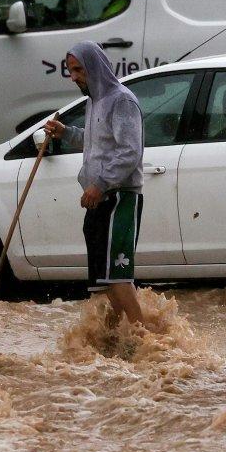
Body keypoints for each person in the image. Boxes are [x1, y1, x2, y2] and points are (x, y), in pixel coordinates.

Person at [44, 41, 146, 326]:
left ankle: (147, 341)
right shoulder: (95, 101)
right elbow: (94, 142)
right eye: (70, 70)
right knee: (103, 283)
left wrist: (100, 184)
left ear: (94, 67)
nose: (73, 76)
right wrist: (65, 133)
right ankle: (113, 341)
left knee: (118, 278)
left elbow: (129, 151)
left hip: (119, 198)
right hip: (98, 200)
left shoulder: (122, 101)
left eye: (78, 70)